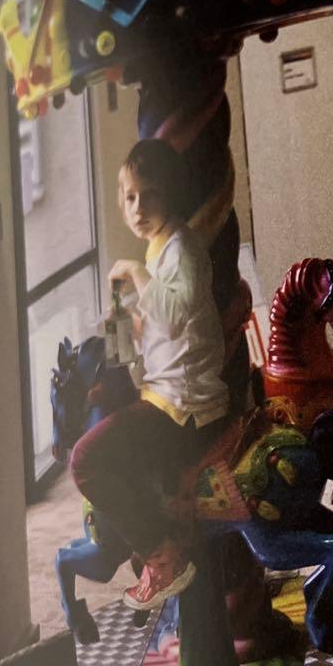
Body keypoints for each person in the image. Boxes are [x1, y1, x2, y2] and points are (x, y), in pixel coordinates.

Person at [69, 138, 230, 610]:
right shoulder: (163, 249)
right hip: (167, 393)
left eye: (150, 194)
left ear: (170, 194)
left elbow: (176, 313)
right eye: (130, 196)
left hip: (184, 406)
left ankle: (161, 556)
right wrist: (129, 326)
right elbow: (165, 332)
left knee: (84, 460)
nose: (138, 207)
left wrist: (138, 276)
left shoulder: (182, 249)